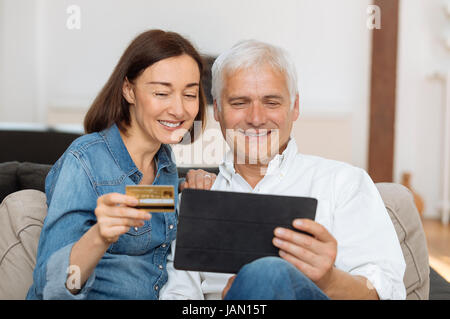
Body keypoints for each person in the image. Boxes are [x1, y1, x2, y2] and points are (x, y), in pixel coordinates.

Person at [159, 40, 407, 300]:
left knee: (268, 273)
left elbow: (386, 291)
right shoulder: (198, 196)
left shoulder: (344, 182)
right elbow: (178, 295)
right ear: (218, 110)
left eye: (272, 102)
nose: (256, 118)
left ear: (295, 106)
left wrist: (328, 279)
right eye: (240, 103)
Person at [26, 29, 215, 300]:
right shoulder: (85, 160)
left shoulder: (164, 163)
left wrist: (188, 195)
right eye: (162, 93)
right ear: (129, 90)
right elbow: (52, 287)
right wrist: (101, 235)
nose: (179, 110)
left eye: (190, 94)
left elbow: (149, 223)